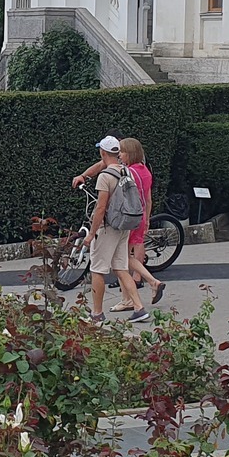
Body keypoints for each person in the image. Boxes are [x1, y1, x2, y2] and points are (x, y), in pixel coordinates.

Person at [75, 136, 146, 321]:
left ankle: (97, 313)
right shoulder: (126, 171)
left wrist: (91, 233)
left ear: (103, 152)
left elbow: (100, 208)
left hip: (108, 227)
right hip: (124, 225)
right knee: (121, 268)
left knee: (97, 270)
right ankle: (139, 308)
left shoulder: (105, 176)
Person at [118, 137, 166, 306]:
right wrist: (146, 219)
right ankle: (130, 296)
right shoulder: (145, 171)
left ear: (129, 153)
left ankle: (150, 283)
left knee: (122, 257)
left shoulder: (129, 172)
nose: (119, 155)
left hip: (129, 218)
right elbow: (148, 198)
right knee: (125, 257)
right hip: (141, 217)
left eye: (122, 152)